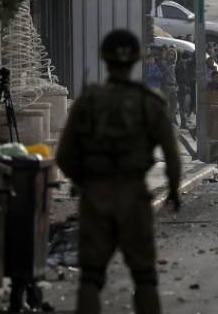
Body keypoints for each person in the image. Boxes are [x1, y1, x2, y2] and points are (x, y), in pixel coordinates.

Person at [56, 30, 181, 314]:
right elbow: (172, 155)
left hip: (95, 194)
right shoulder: (149, 102)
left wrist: (83, 181)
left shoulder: (88, 101)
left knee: (91, 275)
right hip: (133, 193)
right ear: (137, 59)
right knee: (144, 275)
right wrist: (173, 190)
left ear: (104, 59)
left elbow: (63, 155)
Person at [160, 47, 179, 125]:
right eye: (170, 54)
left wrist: (177, 85)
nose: (171, 56)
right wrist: (168, 68)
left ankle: (170, 120)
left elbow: (177, 76)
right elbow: (161, 74)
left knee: (174, 105)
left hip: (174, 86)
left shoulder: (175, 65)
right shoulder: (163, 63)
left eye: (173, 54)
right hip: (165, 86)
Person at [175, 51, 193, 129]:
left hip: (183, 87)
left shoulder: (183, 65)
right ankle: (183, 123)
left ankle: (182, 122)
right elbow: (179, 78)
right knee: (182, 106)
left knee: (182, 106)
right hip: (181, 88)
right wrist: (183, 86)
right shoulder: (180, 66)